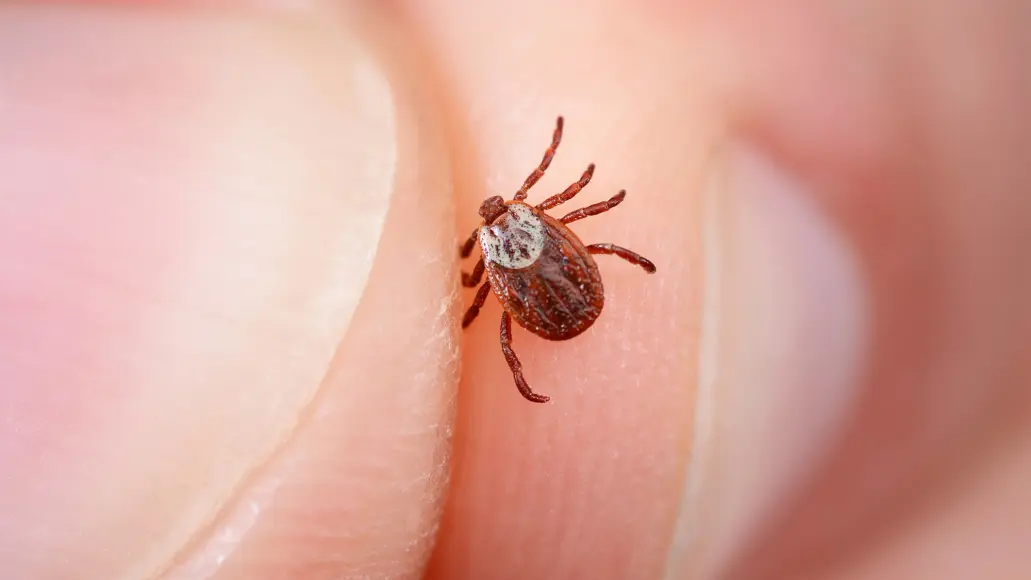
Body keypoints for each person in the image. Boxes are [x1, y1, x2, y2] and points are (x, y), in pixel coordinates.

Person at [0, 1, 1027, 578]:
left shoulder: (505, 255)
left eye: (509, 215)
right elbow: (574, 198)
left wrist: (515, 322)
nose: (503, 215)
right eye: (503, 221)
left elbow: (531, 256)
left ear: (532, 213)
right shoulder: (538, 229)